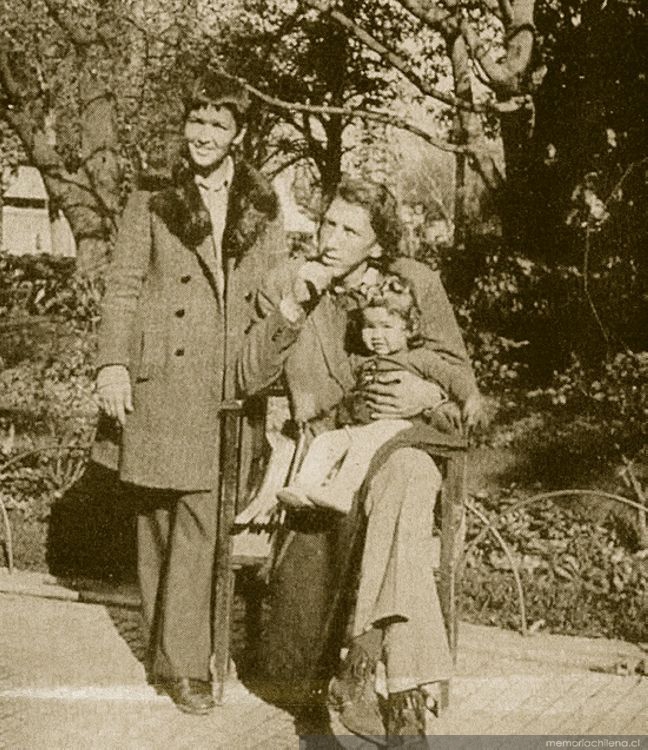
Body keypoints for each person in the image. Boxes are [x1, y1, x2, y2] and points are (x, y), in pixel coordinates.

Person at [238, 176, 482, 740]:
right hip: (329, 457)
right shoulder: (285, 283)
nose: (333, 239)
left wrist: (431, 394)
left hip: (399, 442)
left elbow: (461, 377)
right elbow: (248, 379)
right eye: (328, 224)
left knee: (412, 472)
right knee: (406, 497)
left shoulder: (414, 281)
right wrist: (296, 307)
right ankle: (399, 691)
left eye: (351, 230)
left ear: (376, 245)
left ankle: (370, 666)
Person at [91, 71, 285, 714]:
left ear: (239, 134)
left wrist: (289, 391)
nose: (202, 135)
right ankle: (168, 650)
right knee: (157, 525)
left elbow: (275, 299)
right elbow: (121, 286)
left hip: (221, 388)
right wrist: (112, 365)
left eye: (217, 125)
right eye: (195, 122)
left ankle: (185, 666)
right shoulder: (152, 195)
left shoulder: (262, 205)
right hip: (156, 382)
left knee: (202, 522)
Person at [277, 272, 455, 514]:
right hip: (363, 426)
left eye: (386, 327)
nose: (376, 335)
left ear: (408, 329)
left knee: (362, 446)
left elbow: (454, 379)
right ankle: (304, 487)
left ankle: (342, 492)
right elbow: (337, 384)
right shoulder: (360, 361)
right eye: (369, 327)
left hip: (400, 426)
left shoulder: (420, 358)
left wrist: (459, 398)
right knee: (326, 441)